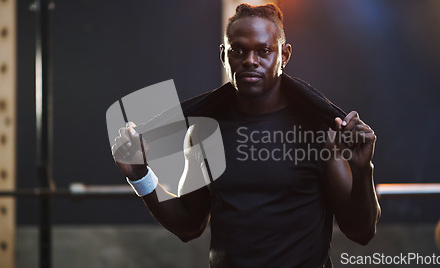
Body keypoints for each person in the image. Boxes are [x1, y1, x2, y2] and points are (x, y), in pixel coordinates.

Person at [112, 3, 380, 267]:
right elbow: (189, 227)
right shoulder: (205, 133)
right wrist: (140, 175)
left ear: (284, 55)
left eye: (264, 51)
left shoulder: (318, 132)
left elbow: (361, 232)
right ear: (224, 55)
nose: (250, 61)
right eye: (238, 50)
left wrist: (362, 168)